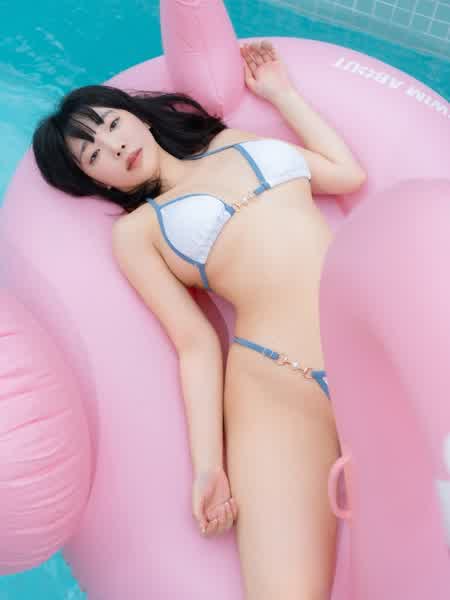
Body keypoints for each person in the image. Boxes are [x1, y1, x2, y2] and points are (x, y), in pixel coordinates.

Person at [33, 40, 366, 600]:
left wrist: (283, 95)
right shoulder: (138, 232)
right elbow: (196, 344)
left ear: (137, 116)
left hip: (366, 348)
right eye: (93, 155)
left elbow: (345, 173)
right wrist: (209, 467)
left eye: (112, 124)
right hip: (277, 384)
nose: (114, 146)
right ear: (96, 182)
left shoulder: (233, 144)